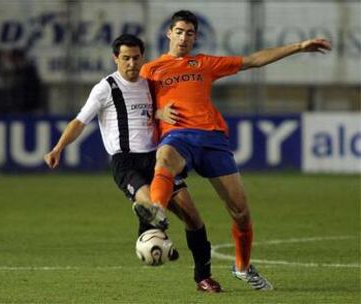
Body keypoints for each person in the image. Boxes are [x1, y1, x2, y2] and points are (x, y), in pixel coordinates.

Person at [136, 10, 332, 291]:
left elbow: (253, 60)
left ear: (195, 37)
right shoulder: (150, 70)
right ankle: (156, 211)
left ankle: (242, 267)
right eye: (179, 31)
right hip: (177, 137)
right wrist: (157, 111)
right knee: (164, 158)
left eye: (189, 33)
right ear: (169, 33)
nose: (183, 37)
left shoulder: (204, 63)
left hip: (213, 140)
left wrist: (299, 46)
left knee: (241, 213)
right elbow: (136, 109)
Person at [44, 34, 223, 293]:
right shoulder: (105, 88)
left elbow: (156, 111)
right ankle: (154, 233)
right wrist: (58, 147)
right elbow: (79, 121)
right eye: (125, 58)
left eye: (136, 58)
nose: (131, 63)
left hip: (157, 160)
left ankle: (202, 277)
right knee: (151, 203)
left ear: (143, 57)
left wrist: (160, 112)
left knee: (193, 218)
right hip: (125, 163)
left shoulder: (149, 84)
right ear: (116, 58)